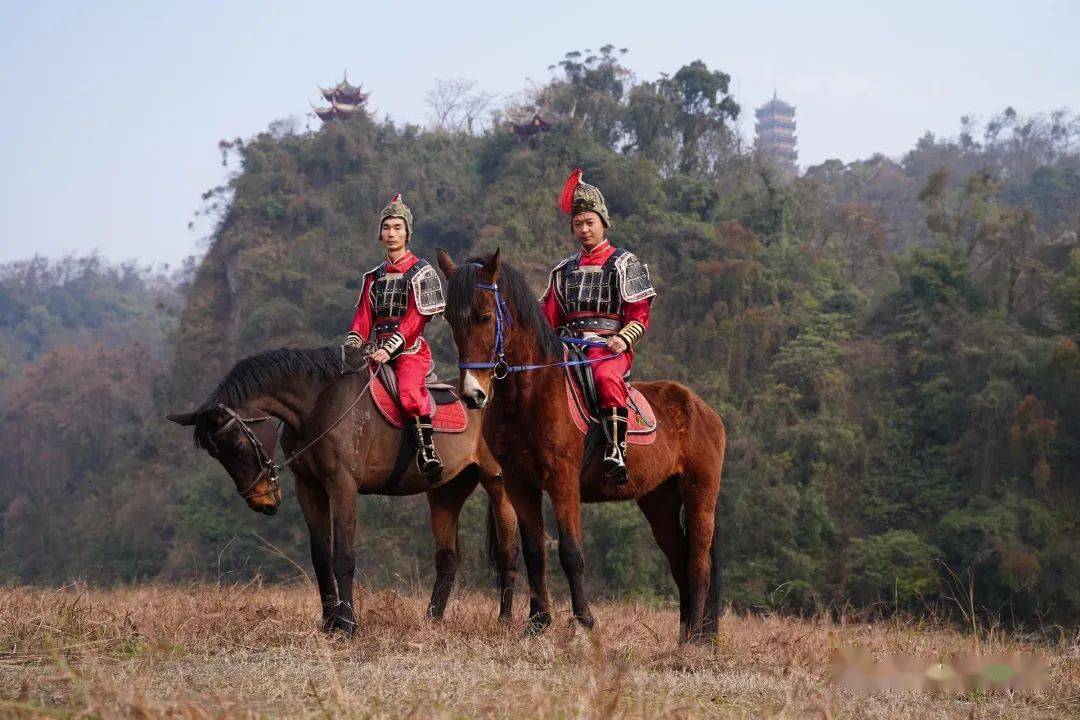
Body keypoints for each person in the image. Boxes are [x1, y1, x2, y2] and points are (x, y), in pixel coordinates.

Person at [540, 169, 656, 479]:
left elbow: (639, 313)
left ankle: (616, 448)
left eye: (590, 222)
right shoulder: (563, 271)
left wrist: (623, 339)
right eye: (578, 224)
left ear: (603, 223)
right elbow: (549, 317)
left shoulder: (624, 263)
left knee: (605, 376)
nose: (584, 229)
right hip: (570, 346)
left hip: (608, 346)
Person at [344, 193, 446, 481]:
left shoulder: (422, 272)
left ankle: (428, 452)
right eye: (387, 227)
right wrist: (352, 346)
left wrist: (390, 349)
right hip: (374, 350)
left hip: (410, 350)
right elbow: (363, 317)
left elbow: (416, 318)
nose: (391, 233)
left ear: (407, 233)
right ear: (380, 233)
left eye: (397, 227)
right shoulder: (373, 277)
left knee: (410, 394)